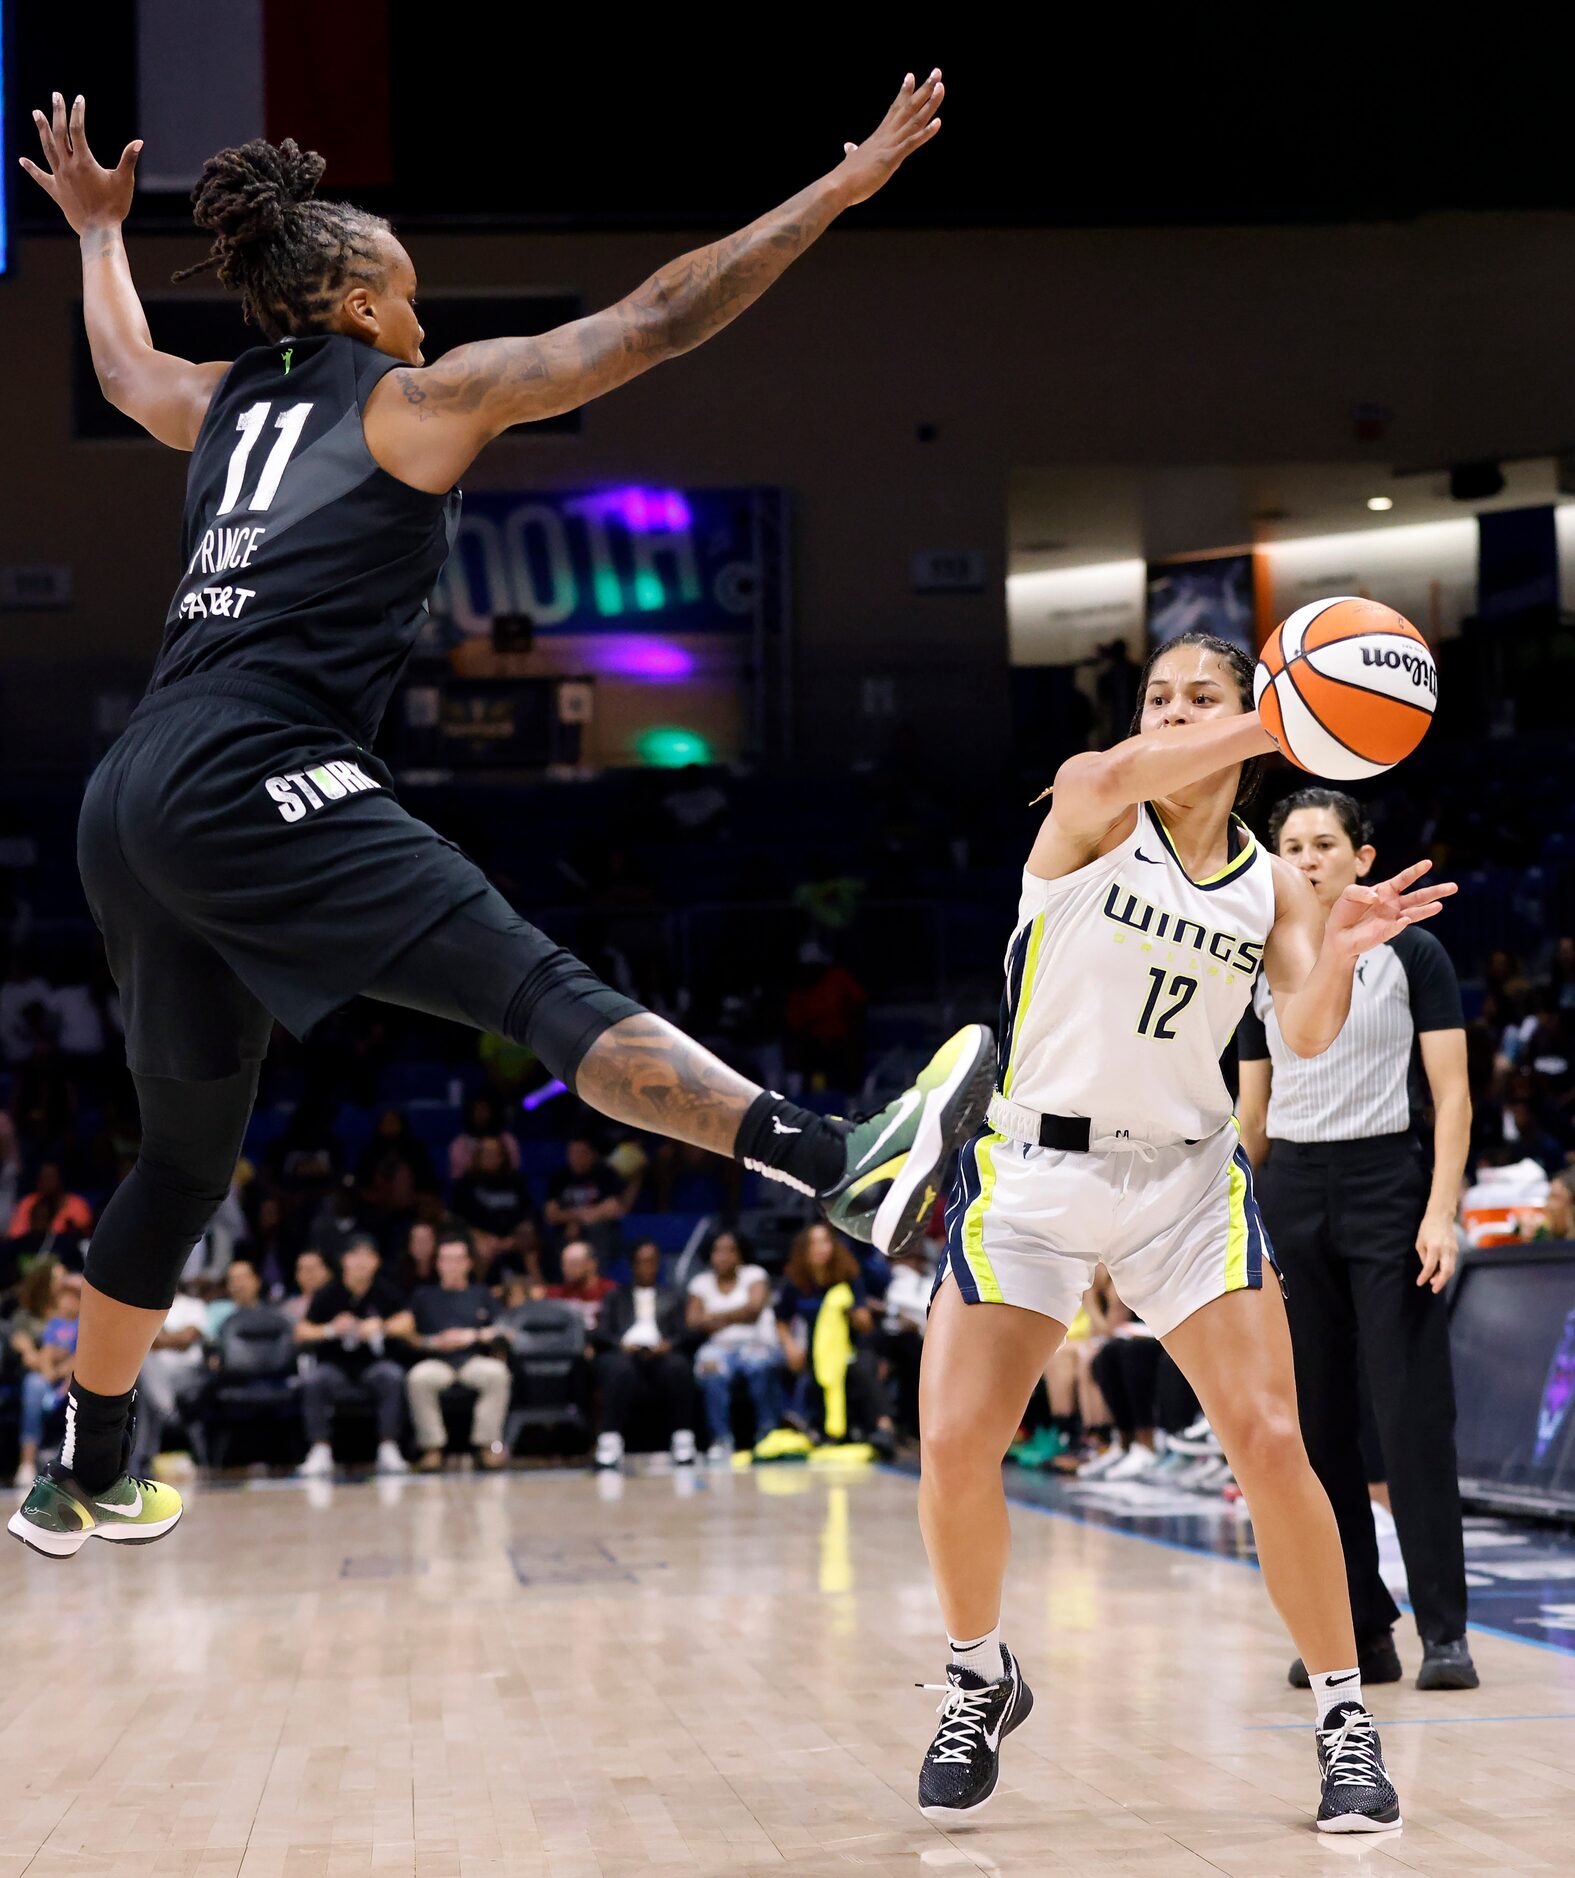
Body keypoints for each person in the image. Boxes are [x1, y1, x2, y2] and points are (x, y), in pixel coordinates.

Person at [13, 77, 989, 1559]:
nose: (421, 308)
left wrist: (94, 235)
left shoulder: (220, 406)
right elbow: (654, 321)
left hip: (126, 794)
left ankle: (84, 1460)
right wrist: (834, 192)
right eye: (403, 285)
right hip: (250, 768)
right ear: (349, 302)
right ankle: (830, 1157)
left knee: (182, 1160)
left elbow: (127, 362)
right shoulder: (415, 397)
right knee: (533, 986)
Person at [916, 630, 1454, 1831]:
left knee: (1271, 1440)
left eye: (1194, 696)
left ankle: (1343, 1719)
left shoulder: (1270, 881)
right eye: (1156, 696)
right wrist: (1298, 707)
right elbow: (1107, 774)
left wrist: (1346, 944)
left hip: (1184, 1180)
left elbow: (1306, 1033)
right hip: (1038, 1171)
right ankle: (977, 1675)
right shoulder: (1096, 806)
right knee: (955, 1442)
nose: (1167, 713)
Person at [1237, 787, 1477, 1693]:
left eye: (1323, 844)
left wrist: (1438, 1210)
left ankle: (1444, 1633)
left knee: (1412, 1416)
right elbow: (1250, 1116)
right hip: (1291, 1191)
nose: (1305, 858)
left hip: (1387, 1186)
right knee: (1317, 1429)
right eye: (1289, 845)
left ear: (1359, 859)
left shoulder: (1414, 951)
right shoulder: (1258, 965)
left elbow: (1450, 1095)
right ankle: (1359, 1633)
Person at [293, 1238, 414, 1477]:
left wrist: (381, 1327)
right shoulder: (328, 1292)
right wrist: (330, 1329)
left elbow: (408, 1324)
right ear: (344, 1261)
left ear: (376, 1262)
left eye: (366, 1257)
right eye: (354, 1257)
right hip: (335, 1365)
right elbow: (301, 1332)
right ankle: (320, 1450)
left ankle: (388, 1447)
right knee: (314, 1380)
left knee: (392, 1376)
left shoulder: (385, 1291)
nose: (360, 1263)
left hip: (373, 1365)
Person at [776, 1222, 896, 1452]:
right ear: (804, 1249)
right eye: (814, 1243)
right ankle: (804, 1425)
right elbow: (781, 1318)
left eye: (825, 1241)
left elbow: (866, 1325)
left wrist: (850, 1308)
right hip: (817, 1348)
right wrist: (790, 1345)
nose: (820, 1248)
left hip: (851, 1345)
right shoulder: (795, 1282)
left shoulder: (848, 1276)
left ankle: (884, 1427)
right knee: (804, 1370)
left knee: (863, 1367)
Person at [404, 1225, 510, 1471]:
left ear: (468, 1263)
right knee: (418, 1378)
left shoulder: (481, 1293)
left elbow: (503, 1330)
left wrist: (470, 1335)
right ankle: (431, 1448)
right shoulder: (423, 1296)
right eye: (445, 1259)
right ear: (438, 1263)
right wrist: (434, 1342)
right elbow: (409, 1335)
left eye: (457, 1259)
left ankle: (487, 1445)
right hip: (437, 1359)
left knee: (496, 1373)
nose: (451, 1265)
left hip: (472, 1358)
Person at [591, 1241, 697, 1470]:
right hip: (625, 1353)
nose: (648, 1267)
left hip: (661, 1354)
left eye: (653, 1262)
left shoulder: (673, 1296)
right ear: (632, 1265)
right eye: (643, 1262)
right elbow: (601, 1333)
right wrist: (620, 1344)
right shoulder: (615, 1297)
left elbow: (684, 1333)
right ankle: (610, 1439)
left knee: (678, 1365)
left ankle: (682, 1437)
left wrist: (669, 1345)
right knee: (619, 1368)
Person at [686, 1229, 781, 1457]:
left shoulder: (754, 1274)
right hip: (718, 1347)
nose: (723, 1256)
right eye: (717, 1251)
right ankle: (720, 1439)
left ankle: (767, 1434)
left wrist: (714, 1317)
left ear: (740, 1254)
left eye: (730, 1250)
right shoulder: (700, 1282)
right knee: (711, 1369)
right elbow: (693, 1321)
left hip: (755, 1342)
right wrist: (737, 1315)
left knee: (759, 1365)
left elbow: (754, 1310)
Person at [126, 1276, 212, 1476]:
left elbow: (186, 1340)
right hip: (152, 1375)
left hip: (187, 1373)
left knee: (145, 1380)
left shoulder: (193, 1305)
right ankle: (165, 1408)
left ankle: (141, 1463)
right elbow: (139, 1340)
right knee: (146, 1367)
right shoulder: (147, 1307)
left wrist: (156, 1339)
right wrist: (165, 1338)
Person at [14, 1269, 82, 1486]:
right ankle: (26, 1462)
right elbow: (45, 1351)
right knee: (34, 1386)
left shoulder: (82, 1322)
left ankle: (74, 1465)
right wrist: (48, 1368)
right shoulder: (44, 1320)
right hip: (44, 1377)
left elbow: (79, 1356)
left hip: (72, 1377)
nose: (69, 1298)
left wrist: (63, 1372)